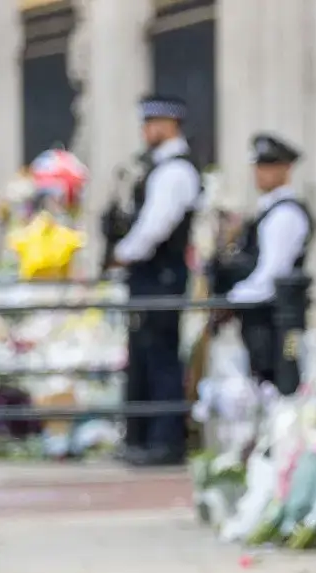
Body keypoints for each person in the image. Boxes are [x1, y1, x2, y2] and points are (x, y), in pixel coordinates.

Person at [111, 95, 202, 466]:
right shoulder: (158, 167)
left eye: (153, 123)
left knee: (160, 354)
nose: (146, 131)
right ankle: (146, 437)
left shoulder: (175, 170)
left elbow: (155, 225)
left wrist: (123, 252)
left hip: (159, 274)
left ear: (170, 124)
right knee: (145, 353)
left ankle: (165, 440)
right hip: (151, 274)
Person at [214, 133, 313, 385]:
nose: (261, 172)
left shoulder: (285, 214)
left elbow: (271, 275)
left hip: (273, 316)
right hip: (259, 315)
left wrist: (230, 300)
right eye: (258, 165)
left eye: (269, 165)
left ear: (286, 168)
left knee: (276, 383)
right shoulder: (267, 209)